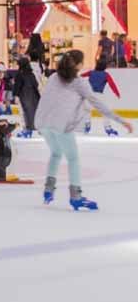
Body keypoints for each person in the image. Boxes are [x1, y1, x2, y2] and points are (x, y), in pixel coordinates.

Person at [35, 50, 132, 210]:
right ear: (79, 64)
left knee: (56, 153)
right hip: (61, 125)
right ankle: (76, 196)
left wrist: (40, 121)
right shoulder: (79, 83)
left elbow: (45, 99)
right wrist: (121, 121)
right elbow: (97, 103)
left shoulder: (53, 77)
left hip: (43, 123)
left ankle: (48, 189)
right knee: (73, 158)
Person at [81, 61, 122, 136]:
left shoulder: (91, 72)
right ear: (104, 67)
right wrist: (117, 93)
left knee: (87, 110)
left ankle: (87, 125)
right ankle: (108, 128)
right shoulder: (106, 74)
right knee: (105, 112)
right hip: (99, 95)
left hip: (89, 94)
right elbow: (112, 84)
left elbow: (81, 76)